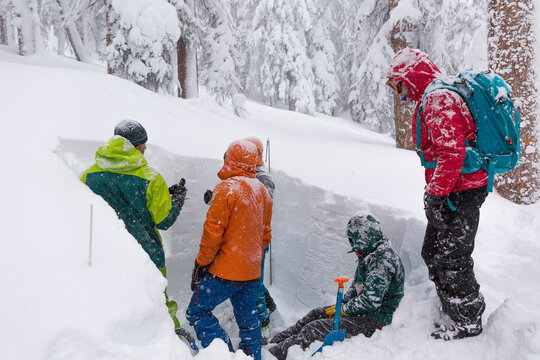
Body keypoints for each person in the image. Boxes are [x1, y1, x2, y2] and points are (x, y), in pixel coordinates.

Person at [386, 47, 489, 340]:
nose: (400, 94)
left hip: (463, 190)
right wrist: (438, 194)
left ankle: (467, 321)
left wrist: (436, 194)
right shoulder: (433, 96)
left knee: (452, 258)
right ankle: (452, 307)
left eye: (400, 85)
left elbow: (451, 153)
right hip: (453, 189)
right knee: (433, 252)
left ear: (412, 77)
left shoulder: (437, 99)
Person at [81, 119, 187, 333]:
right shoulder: (151, 178)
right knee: (158, 304)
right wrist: (175, 200)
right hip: (146, 253)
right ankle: (172, 339)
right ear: (133, 146)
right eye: (142, 144)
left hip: (108, 254)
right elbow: (164, 220)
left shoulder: (89, 175)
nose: (146, 148)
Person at [268, 215, 404, 360]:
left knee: (314, 328)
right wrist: (343, 303)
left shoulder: (382, 260)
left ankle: (273, 355)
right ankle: (274, 342)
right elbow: (358, 285)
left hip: (375, 321)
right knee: (315, 314)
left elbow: (371, 301)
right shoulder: (368, 253)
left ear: (364, 239)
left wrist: (344, 309)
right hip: (363, 313)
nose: (352, 246)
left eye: (353, 241)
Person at [186, 139, 273, 360]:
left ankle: (222, 353)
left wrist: (202, 263)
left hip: (224, 272)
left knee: (196, 311)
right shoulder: (262, 191)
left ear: (230, 159)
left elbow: (211, 235)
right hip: (251, 272)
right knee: (249, 321)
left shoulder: (226, 189)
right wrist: (248, 259)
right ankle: (252, 356)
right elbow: (265, 236)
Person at [243, 137, 276, 332]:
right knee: (252, 281)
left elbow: (261, 205)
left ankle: (262, 322)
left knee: (253, 282)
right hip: (247, 239)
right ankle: (269, 305)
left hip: (257, 240)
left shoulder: (263, 178)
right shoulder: (248, 173)